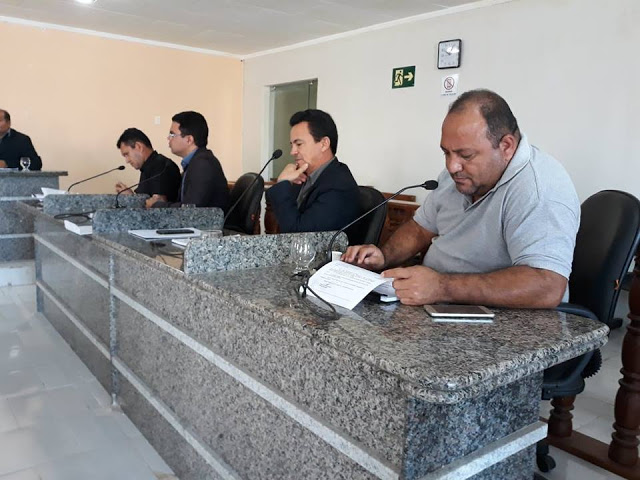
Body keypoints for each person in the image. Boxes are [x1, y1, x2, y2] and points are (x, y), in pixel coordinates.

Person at [342, 89, 580, 309]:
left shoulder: (538, 188)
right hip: (439, 305)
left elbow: (546, 285)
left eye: (465, 155)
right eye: (446, 152)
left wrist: (441, 286)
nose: (452, 166)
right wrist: (384, 256)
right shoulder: (454, 178)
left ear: (506, 146)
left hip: (503, 318)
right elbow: (419, 229)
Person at [265, 109, 360, 232]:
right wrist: (285, 184)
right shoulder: (301, 177)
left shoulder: (339, 186)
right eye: (291, 145)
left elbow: (299, 235)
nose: (292, 152)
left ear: (324, 144)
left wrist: (282, 183)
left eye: (299, 144)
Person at [151, 111, 229, 210]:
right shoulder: (195, 161)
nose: (168, 138)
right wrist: (162, 201)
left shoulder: (203, 164)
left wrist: (156, 205)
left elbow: (190, 209)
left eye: (172, 135)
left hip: (209, 220)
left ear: (189, 140)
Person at [115, 128, 181, 208]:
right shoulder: (148, 166)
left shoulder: (160, 166)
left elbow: (158, 206)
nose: (127, 160)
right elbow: (147, 201)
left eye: (127, 154)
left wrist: (132, 198)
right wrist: (131, 197)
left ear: (139, 146)